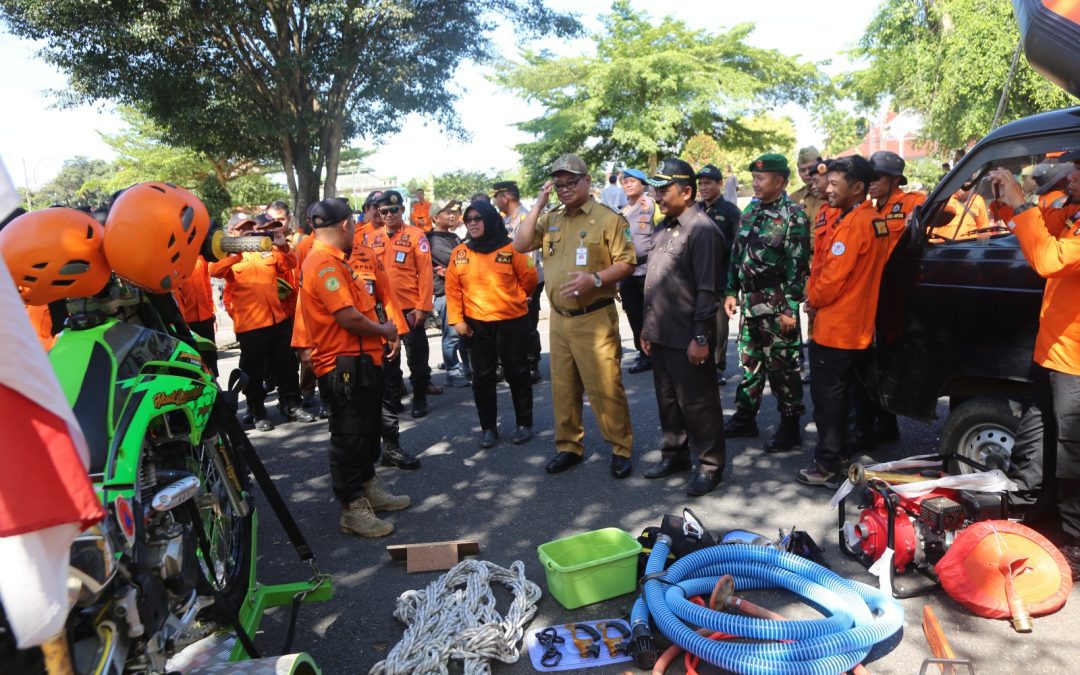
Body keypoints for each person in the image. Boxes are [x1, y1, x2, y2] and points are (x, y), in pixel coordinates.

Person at [512, 154, 637, 478]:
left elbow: (627, 262)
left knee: (605, 386)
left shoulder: (608, 218)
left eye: (571, 182)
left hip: (593, 317)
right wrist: (538, 204)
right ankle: (569, 445)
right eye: (558, 184)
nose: (564, 189)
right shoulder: (551, 217)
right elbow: (521, 243)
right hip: (559, 319)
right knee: (563, 388)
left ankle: (621, 447)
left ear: (587, 181)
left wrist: (594, 279)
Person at [991, 154, 1080, 577]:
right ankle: (1026, 515)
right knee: (1035, 438)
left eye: (1079, 172)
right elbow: (1035, 229)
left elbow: (1047, 260)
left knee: (1071, 453)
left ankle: (1076, 543)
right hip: (1053, 351)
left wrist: (1021, 204)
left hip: (1075, 361)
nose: (1071, 177)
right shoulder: (1072, 207)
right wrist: (1009, 203)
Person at [298, 198, 409, 537]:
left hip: (361, 360)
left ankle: (368, 488)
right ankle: (352, 508)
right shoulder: (324, 264)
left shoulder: (336, 260)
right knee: (348, 437)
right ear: (345, 225)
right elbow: (347, 317)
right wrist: (385, 330)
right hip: (341, 365)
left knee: (366, 429)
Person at [798, 155, 891, 488]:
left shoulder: (853, 225)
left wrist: (812, 299)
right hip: (857, 328)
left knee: (829, 401)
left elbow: (832, 279)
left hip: (836, 328)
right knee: (846, 397)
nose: (829, 189)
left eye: (836, 184)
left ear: (858, 188)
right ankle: (838, 454)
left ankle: (826, 465)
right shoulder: (874, 220)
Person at [639, 159, 727, 496]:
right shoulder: (665, 227)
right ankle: (675, 454)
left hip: (689, 335)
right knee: (668, 400)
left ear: (686, 192)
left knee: (698, 403)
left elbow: (708, 289)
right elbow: (657, 281)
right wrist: (648, 330)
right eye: (656, 188)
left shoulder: (702, 230)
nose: (657, 195)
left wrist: (701, 337)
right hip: (662, 333)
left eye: (664, 189)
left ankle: (709, 465)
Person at [723, 153, 811, 452]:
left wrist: (789, 307)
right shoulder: (751, 209)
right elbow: (737, 253)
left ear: (781, 181)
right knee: (749, 362)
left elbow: (798, 267)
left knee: (783, 367)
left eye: (761, 178)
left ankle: (790, 426)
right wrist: (731, 290)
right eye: (754, 178)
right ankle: (746, 417)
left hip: (777, 305)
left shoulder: (793, 215)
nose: (755, 183)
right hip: (750, 302)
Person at [850, 151, 928, 449]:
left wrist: (921, 216)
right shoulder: (868, 209)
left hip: (899, 298)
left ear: (895, 179)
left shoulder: (912, 201)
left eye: (877, 177)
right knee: (869, 365)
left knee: (888, 362)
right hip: (873, 296)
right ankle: (879, 425)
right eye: (869, 178)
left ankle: (877, 426)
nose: (871, 183)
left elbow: (950, 211)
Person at [446, 201, 539, 448]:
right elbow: (452, 289)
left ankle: (523, 423)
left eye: (478, 218)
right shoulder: (460, 252)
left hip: (511, 321)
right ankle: (488, 428)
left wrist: (517, 298)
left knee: (517, 373)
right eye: (469, 220)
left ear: (489, 219)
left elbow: (530, 278)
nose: (473, 223)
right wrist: (457, 320)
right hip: (476, 325)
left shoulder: (513, 248)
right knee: (482, 378)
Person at [209, 218, 315, 430]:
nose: (248, 232)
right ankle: (258, 411)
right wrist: (235, 253)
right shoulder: (228, 255)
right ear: (233, 232)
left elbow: (290, 263)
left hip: (277, 319)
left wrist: (281, 244)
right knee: (253, 372)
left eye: (251, 228)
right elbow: (214, 271)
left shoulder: (266, 250)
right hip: (250, 326)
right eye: (243, 229)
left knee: (287, 366)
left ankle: (291, 405)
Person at [349, 201, 422, 470]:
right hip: (343, 350)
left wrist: (396, 333)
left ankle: (391, 448)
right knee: (352, 404)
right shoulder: (319, 260)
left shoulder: (368, 255)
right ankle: (360, 460)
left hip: (379, 339)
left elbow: (387, 295)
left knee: (388, 396)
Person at [375, 190, 441, 418]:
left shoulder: (416, 235)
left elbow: (425, 274)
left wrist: (423, 307)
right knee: (388, 357)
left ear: (402, 210)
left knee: (417, 358)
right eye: (384, 211)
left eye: (394, 210)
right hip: (384, 311)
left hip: (410, 307)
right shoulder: (372, 238)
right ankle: (393, 398)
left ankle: (420, 398)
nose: (389, 215)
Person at [696, 164, 741, 385]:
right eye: (700, 184)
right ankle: (701, 365)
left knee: (720, 327)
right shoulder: (696, 209)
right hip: (699, 279)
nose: (703, 188)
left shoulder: (731, 211)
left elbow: (738, 245)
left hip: (721, 279)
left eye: (708, 183)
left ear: (719, 184)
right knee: (700, 322)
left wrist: (717, 245)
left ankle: (718, 366)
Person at [494, 180, 543, 383]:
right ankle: (516, 363)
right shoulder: (506, 219)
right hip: (510, 282)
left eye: (496, 196)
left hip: (527, 281)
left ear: (504, 197)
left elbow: (529, 256)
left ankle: (532, 366)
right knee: (512, 327)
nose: (495, 200)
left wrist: (527, 290)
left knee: (528, 325)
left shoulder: (524, 217)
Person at [616, 168, 658, 374]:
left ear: (643, 184)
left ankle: (657, 352)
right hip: (627, 271)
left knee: (651, 314)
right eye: (625, 181)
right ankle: (643, 353)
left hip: (648, 269)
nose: (628, 184)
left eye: (633, 181)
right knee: (633, 314)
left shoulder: (650, 205)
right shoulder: (623, 211)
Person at [429, 200, 471, 388]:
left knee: (464, 334)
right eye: (447, 212)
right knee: (452, 334)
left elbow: (466, 260)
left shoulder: (453, 237)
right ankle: (452, 372)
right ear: (436, 217)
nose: (452, 215)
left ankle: (466, 368)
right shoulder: (432, 239)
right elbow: (458, 260)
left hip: (461, 292)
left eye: (453, 212)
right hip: (445, 294)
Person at [175, 254, 218, 376]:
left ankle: (215, 385)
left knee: (210, 357)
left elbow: (207, 285)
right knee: (193, 360)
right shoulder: (173, 262)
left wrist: (211, 310)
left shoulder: (200, 259)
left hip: (205, 317)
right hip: (187, 322)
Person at [791, 147, 827, 225]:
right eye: (802, 170)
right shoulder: (794, 198)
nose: (807, 173)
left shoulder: (832, 194)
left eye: (811, 168)